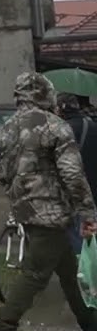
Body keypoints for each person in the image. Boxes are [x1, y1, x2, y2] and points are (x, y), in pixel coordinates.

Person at [0, 73, 97, 331]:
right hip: (53, 210)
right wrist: (88, 212)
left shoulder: (4, 129)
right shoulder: (55, 126)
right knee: (35, 274)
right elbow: (72, 174)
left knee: (70, 274)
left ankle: (91, 326)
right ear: (46, 94)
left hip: (25, 207)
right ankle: (3, 328)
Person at [60, 92, 97, 255]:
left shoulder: (63, 132)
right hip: (94, 189)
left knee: (77, 234)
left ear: (60, 110)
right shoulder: (93, 126)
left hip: (76, 191)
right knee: (91, 231)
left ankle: (82, 272)